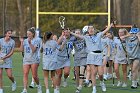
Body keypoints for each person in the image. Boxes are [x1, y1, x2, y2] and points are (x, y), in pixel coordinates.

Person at [69, 23, 114, 93]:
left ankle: (102, 82)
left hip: (99, 55)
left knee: (101, 74)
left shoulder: (99, 35)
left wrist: (111, 25)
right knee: (93, 73)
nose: (91, 29)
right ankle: (94, 88)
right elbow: (78, 35)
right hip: (91, 56)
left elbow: (106, 30)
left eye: (92, 28)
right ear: (87, 30)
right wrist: (70, 32)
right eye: (89, 28)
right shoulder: (86, 37)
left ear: (94, 29)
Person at [19, 27, 42, 93]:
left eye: (29, 34)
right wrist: (21, 42)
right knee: (25, 74)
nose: (28, 35)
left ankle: (38, 85)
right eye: (27, 34)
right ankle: (25, 89)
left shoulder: (37, 40)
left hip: (34, 60)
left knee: (34, 76)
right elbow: (21, 50)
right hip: (26, 60)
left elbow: (34, 50)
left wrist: (30, 43)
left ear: (33, 34)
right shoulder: (25, 40)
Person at [56, 28, 74, 93]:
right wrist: (62, 38)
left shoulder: (72, 39)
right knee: (59, 74)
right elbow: (58, 44)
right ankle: (57, 89)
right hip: (59, 59)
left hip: (67, 58)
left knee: (66, 72)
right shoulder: (61, 38)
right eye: (65, 32)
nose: (66, 34)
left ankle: (65, 79)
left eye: (68, 32)